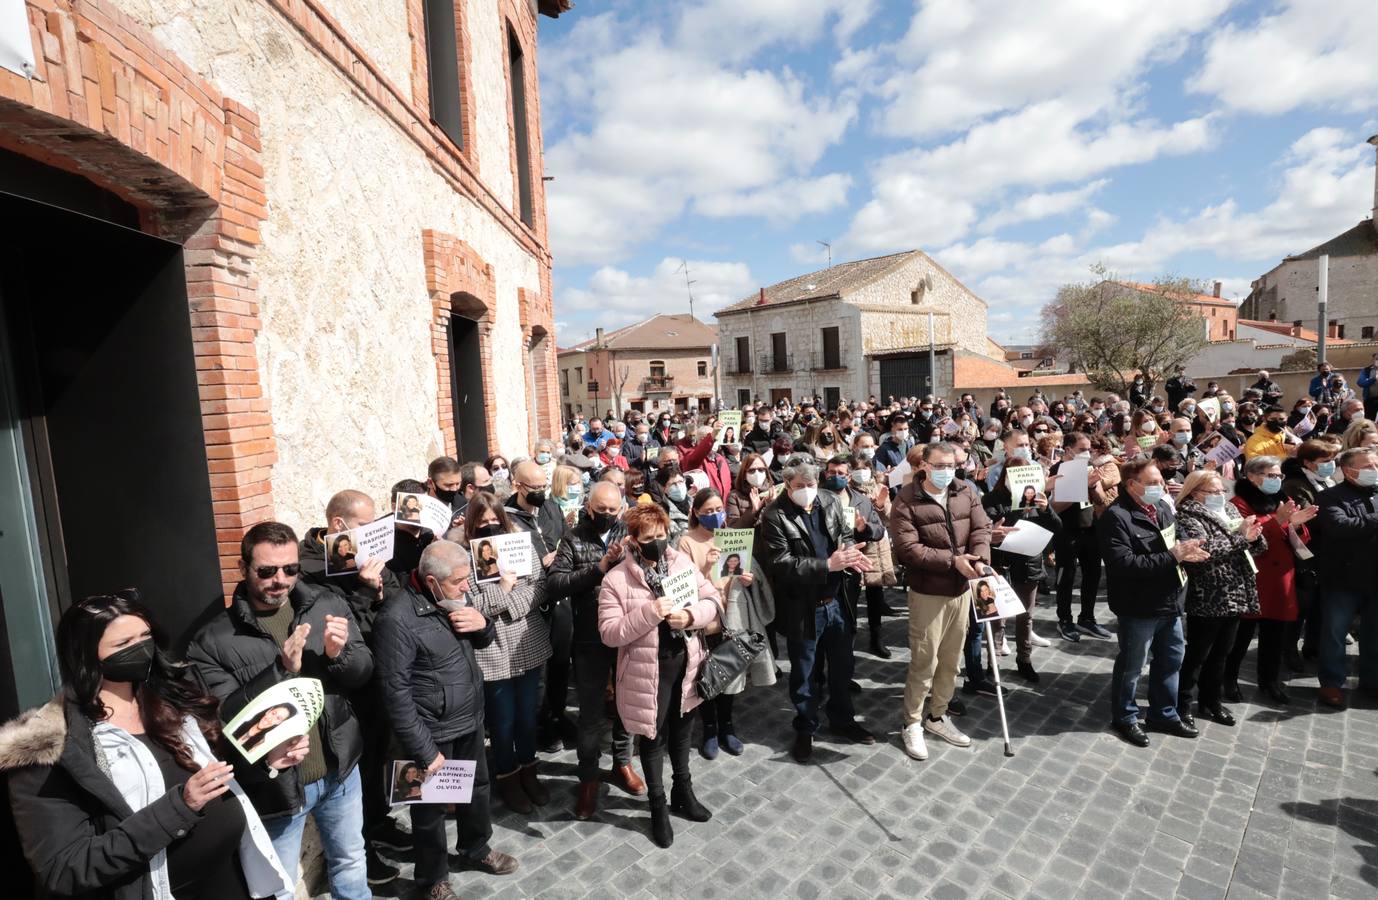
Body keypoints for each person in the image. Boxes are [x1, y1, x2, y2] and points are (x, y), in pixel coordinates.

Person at [3, 592, 302, 900]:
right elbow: (65, 868)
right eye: (123, 645)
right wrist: (180, 808)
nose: (141, 649)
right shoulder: (49, 747)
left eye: (145, 636)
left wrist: (266, 757)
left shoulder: (170, 699)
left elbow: (218, 776)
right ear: (85, 655)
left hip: (233, 879)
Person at [188, 522, 373, 899]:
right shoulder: (212, 640)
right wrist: (281, 670)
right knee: (281, 887)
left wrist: (340, 657)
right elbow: (225, 719)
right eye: (267, 571)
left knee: (352, 862)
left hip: (340, 771)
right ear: (243, 569)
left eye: (290, 569)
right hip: (277, 786)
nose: (281, 580)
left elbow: (364, 672)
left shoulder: (326, 602)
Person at [371, 540, 519, 900]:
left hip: (468, 719)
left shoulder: (454, 598)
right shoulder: (396, 619)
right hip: (430, 733)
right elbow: (395, 693)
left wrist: (482, 624)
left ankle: (476, 848)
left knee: (477, 791)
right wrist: (424, 751)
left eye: (467, 578)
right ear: (433, 582)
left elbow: (484, 643)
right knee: (429, 811)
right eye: (459, 581)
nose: (467, 586)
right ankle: (432, 879)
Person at [597, 503, 722, 848]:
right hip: (645, 673)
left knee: (683, 732)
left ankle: (683, 791)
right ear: (634, 540)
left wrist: (692, 616)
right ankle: (657, 806)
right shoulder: (615, 579)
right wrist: (649, 613)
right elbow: (609, 633)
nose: (659, 543)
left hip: (686, 664)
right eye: (650, 537)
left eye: (663, 535)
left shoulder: (680, 563)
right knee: (652, 740)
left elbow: (712, 599)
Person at [760, 455, 876, 762]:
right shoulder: (774, 515)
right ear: (787, 484)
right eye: (800, 486)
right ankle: (806, 728)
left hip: (838, 600)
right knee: (805, 673)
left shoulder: (828, 499)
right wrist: (827, 564)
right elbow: (781, 564)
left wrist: (851, 556)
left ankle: (842, 720)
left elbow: (844, 536)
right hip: (803, 607)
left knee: (842, 667)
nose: (807, 490)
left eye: (811, 484)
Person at [547, 481, 647, 820]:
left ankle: (622, 762)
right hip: (589, 639)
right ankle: (588, 778)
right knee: (590, 716)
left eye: (612, 510)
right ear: (589, 507)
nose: (607, 515)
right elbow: (556, 584)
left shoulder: (629, 532)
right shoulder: (574, 538)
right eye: (600, 510)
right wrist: (599, 568)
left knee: (625, 705)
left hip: (628, 634)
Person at [889, 443, 992, 761]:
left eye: (953, 464)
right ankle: (913, 722)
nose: (949, 469)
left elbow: (981, 528)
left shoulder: (965, 490)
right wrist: (953, 561)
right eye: (941, 464)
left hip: (962, 591)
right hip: (927, 593)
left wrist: (979, 560)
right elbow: (908, 548)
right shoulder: (906, 499)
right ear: (924, 466)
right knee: (924, 661)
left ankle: (937, 715)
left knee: (950, 661)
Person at [1098, 457, 1209, 748]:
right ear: (1131, 485)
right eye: (1152, 483)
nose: (1160, 486)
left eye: (1160, 481)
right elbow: (1124, 564)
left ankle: (1164, 714)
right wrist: (1174, 556)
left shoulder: (1161, 507)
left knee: (1172, 660)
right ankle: (1125, 717)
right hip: (1139, 606)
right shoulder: (1116, 516)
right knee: (1132, 666)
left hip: (1170, 601)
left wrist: (1190, 549)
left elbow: (1177, 536)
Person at [463, 493, 553, 813]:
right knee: (502, 721)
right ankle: (508, 776)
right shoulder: (465, 557)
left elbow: (541, 586)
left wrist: (505, 603)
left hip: (526, 643)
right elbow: (473, 605)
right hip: (492, 649)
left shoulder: (519, 544)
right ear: (472, 524)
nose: (490, 527)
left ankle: (529, 769)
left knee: (528, 716)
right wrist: (504, 589)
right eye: (482, 522)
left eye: (494, 521)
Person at [1173, 471, 1265, 728]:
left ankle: (1211, 700)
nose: (1220, 496)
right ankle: (1182, 703)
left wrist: (1255, 536)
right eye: (1213, 492)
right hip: (1209, 593)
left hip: (1236, 590)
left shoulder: (1231, 510)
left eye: (1222, 491)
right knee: (1198, 654)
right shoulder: (1187, 516)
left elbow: (1255, 545)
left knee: (1222, 653)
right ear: (1195, 493)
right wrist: (1241, 539)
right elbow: (1205, 551)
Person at [1225, 457, 1316, 706]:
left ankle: (1269, 680)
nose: (1277, 480)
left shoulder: (1281, 500)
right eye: (1271, 475)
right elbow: (1248, 536)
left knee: (1274, 635)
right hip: (1255, 575)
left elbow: (1299, 538)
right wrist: (1278, 520)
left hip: (1281, 577)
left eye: (1279, 476)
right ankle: (1228, 679)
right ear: (1253, 476)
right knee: (1241, 637)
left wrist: (1296, 525)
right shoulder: (1239, 503)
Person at [982, 460, 1061, 684]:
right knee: (997, 617)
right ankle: (993, 663)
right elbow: (988, 528)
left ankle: (1024, 660)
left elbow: (1057, 528)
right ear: (1006, 477)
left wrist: (1045, 510)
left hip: (1029, 563)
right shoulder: (991, 499)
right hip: (999, 565)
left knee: (1025, 616)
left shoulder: (1038, 500)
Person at [1312, 447, 1378, 708]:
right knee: (1335, 634)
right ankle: (1331, 684)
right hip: (1343, 578)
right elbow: (1340, 527)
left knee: (1374, 634)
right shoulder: (1330, 497)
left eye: (1376, 465)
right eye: (1369, 466)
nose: (1374, 471)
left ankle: (1372, 681)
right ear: (1350, 471)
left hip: (1375, 577)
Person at [1051, 430, 1113, 642]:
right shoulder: (1057, 470)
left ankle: (1087, 617)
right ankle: (1065, 620)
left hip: (1091, 530)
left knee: (1093, 575)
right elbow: (1055, 507)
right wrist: (1079, 486)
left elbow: (1101, 500)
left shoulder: (1090, 468)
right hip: (1066, 532)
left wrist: (1093, 486)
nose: (1088, 453)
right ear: (1068, 449)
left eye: (1089, 449)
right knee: (1066, 578)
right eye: (1082, 450)